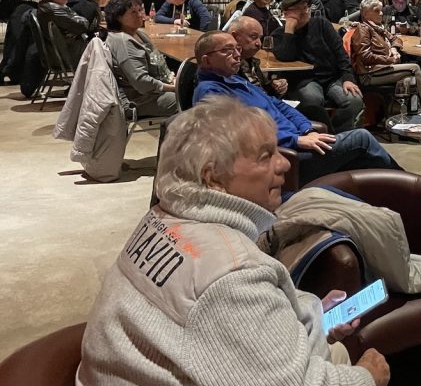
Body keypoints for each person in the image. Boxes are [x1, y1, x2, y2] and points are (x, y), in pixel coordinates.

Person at [76, 95, 393, 386]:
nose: (284, 163)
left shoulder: (159, 218)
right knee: (349, 361)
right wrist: (367, 377)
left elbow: (221, 321)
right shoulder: (234, 273)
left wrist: (312, 312)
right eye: (265, 156)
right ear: (213, 177)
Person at [197, 31, 393, 175]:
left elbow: (279, 105)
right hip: (283, 156)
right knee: (361, 139)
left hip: (299, 142)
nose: (237, 55)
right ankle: (405, 188)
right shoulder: (210, 93)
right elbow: (240, 135)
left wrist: (307, 129)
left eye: (237, 49)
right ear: (206, 61)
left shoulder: (235, 79)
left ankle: (390, 190)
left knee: (362, 159)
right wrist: (295, 140)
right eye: (227, 51)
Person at [273, 0, 365, 133]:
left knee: (354, 100)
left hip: (332, 78)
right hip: (304, 80)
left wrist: (348, 78)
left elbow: (341, 53)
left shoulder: (321, 24)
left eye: (306, 7)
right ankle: (322, 135)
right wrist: (289, 30)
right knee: (312, 99)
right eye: (298, 9)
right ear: (286, 14)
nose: (305, 12)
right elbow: (286, 57)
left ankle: (337, 134)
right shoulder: (279, 34)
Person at [104, 0, 177, 118]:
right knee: (194, 99)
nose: (139, 15)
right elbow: (141, 82)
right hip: (140, 100)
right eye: (133, 12)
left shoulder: (139, 34)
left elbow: (158, 65)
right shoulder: (123, 41)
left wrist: (171, 78)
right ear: (118, 17)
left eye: (140, 10)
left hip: (153, 92)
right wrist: (172, 87)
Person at [350, 0, 421, 99]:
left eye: (381, 10)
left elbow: (395, 39)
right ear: (365, 14)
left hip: (381, 68)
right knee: (414, 68)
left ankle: (406, 106)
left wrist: (394, 49)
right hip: (370, 74)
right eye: (377, 11)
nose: (381, 13)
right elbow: (365, 56)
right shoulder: (363, 29)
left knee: (408, 79)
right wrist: (391, 59)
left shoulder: (377, 27)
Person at [229, 17, 289, 100]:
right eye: (253, 36)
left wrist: (276, 87)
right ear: (234, 36)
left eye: (260, 38)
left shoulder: (250, 60)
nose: (259, 44)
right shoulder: (227, 67)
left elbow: (263, 91)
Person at [37, 0, 90, 66]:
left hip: (67, 52)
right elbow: (82, 26)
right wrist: (79, 17)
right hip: (69, 55)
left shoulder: (52, 6)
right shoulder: (53, 9)